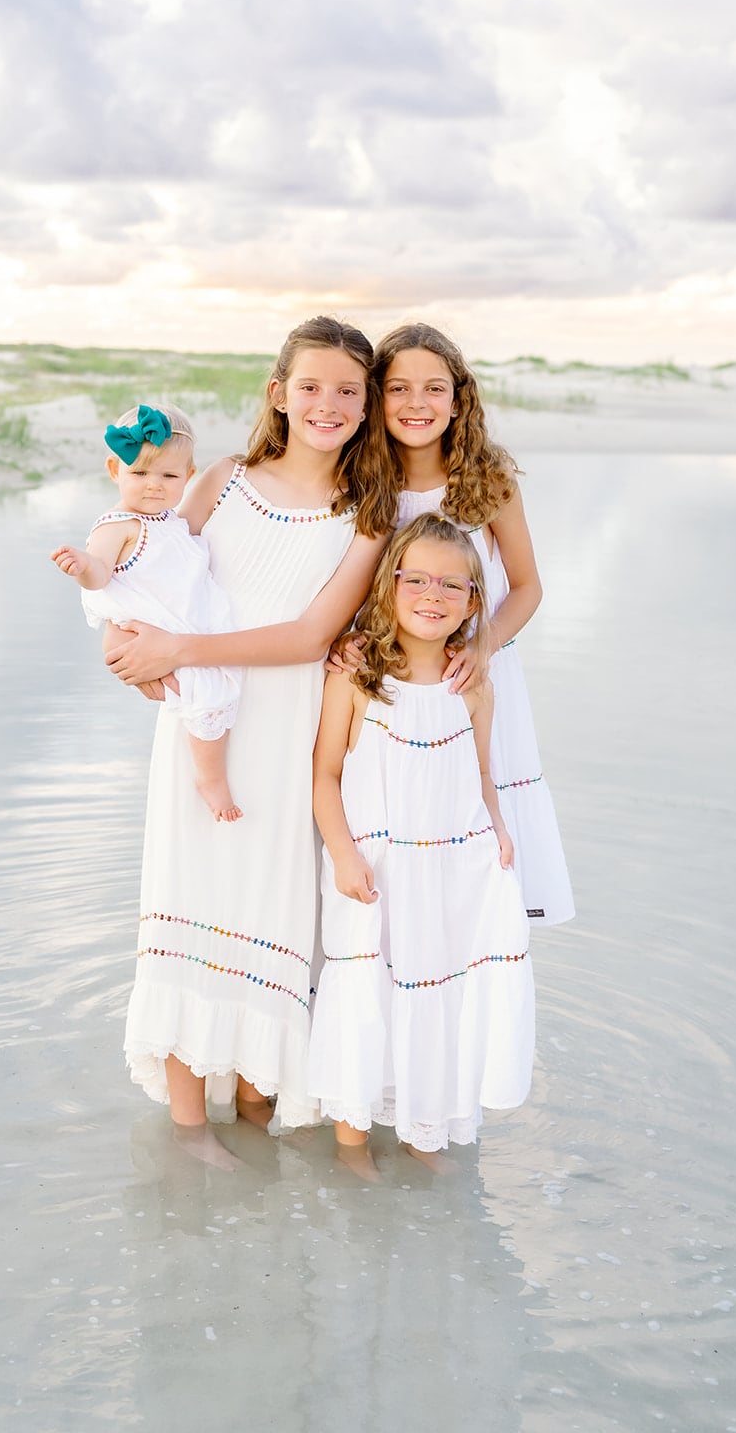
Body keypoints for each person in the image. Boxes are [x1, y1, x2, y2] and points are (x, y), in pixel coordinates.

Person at [103, 318, 399, 1169]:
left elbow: (311, 635)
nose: (328, 404)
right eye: (309, 385)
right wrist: (122, 644)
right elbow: (148, 572)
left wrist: (179, 650)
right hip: (203, 729)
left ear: (366, 403)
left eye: (349, 390)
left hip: (286, 733)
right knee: (190, 898)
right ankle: (193, 1132)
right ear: (278, 392)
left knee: (275, 915)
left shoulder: (365, 514)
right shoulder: (223, 481)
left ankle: (258, 1110)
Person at [308, 513, 536, 1175]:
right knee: (363, 994)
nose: (432, 596)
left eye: (452, 585)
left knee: (437, 996)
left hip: (448, 870)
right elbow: (324, 773)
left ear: (472, 602)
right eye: (417, 581)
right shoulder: (356, 675)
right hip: (373, 870)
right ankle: (351, 1145)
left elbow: (481, 776)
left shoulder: (472, 686)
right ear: (388, 585)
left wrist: (497, 836)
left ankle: (422, 1131)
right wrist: (343, 853)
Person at [376, 322, 575, 928]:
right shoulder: (362, 482)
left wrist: (483, 646)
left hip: (477, 677)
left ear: (459, 398)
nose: (417, 403)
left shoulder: (486, 482)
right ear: (376, 395)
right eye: (398, 387)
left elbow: (527, 586)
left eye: (434, 388)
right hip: (390, 683)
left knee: (482, 838)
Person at [51, 402, 243, 821]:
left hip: (190, 619)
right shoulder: (117, 525)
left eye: (169, 476)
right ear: (114, 470)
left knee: (215, 684)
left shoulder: (170, 520)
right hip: (158, 623)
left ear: (188, 478)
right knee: (205, 694)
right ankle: (210, 778)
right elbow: (101, 572)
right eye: (139, 473)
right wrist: (83, 566)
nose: (153, 486)